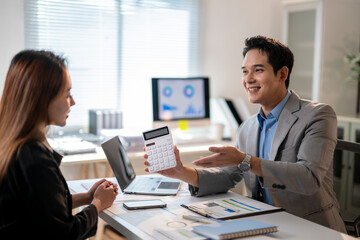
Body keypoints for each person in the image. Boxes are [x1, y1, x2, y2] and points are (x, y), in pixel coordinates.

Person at [144, 36, 347, 233]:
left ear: (282, 74)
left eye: (258, 70)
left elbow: (308, 178)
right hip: (263, 224)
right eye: (245, 72)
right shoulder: (247, 126)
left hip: (310, 228)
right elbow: (229, 176)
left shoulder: (318, 115)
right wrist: (181, 172)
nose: (248, 79)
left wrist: (245, 160)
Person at [0, 50, 118, 239]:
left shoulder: (14, 145)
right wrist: (97, 204)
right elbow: (65, 233)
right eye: (67, 94)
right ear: (41, 98)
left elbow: (42, 211)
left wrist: (87, 197)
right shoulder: (34, 159)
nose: (73, 102)